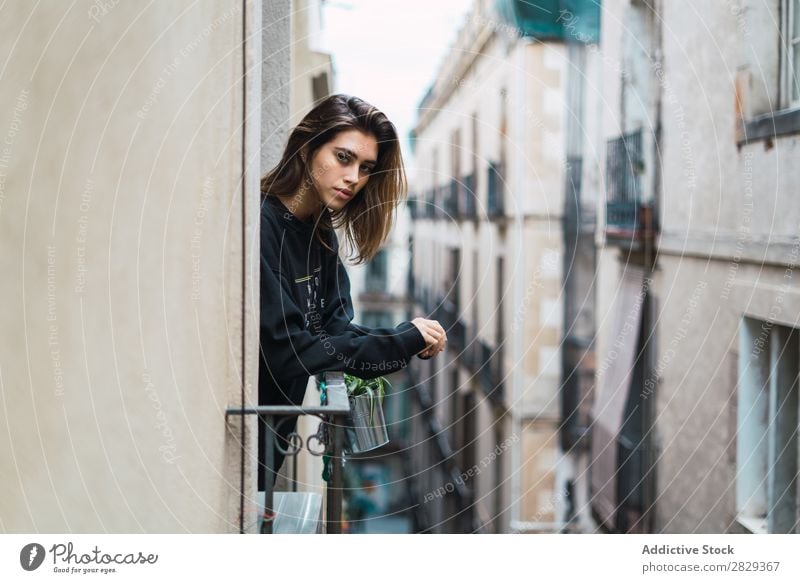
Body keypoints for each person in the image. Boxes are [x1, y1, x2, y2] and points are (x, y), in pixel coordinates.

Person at [259, 94, 447, 492]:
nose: (353, 178)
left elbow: (336, 334)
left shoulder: (319, 234)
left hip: (273, 446)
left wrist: (407, 337)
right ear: (306, 148)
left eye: (366, 168)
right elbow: (290, 349)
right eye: (343, 157)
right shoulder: (263, 226)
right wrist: (400, 340)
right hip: (243, 445)